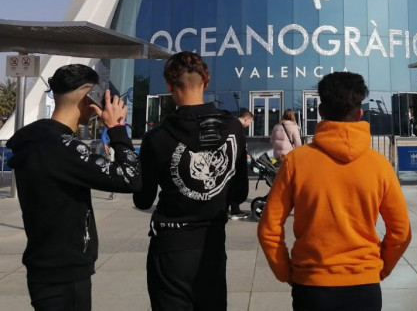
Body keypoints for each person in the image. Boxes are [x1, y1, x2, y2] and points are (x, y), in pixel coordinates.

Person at [258, 72, 412, 311]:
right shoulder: (380, 164)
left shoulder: (296, 162)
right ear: (360, 113)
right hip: (365, 286)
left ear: (320, 111)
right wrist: (379, 268)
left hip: (311, 285)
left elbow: (269, 228)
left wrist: (285, 271)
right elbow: (401, 232)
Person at [6, 64, 141, 311]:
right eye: (99, 95)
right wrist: (117, 129)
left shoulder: (42, 141)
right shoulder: (63, 148)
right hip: (64, 274)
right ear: (85, 97)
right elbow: (129, 178)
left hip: (47, 266)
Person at [133, 51, 248, 311]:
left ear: (169, 85)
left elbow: (143, 199)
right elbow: (239, 193)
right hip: (212, 244)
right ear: (206, 82)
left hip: (171, 246)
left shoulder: (157, 137)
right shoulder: (233, 129)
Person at [229, 109, 254, 220]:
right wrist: (244, 154)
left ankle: (232, 209)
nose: (250, 125)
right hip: (236, 163)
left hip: (231, 162)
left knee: (230, 186)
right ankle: (235, 211)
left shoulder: (231, 125)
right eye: (250, 122)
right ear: (246, 118)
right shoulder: (237, 127)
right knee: (236, 186)